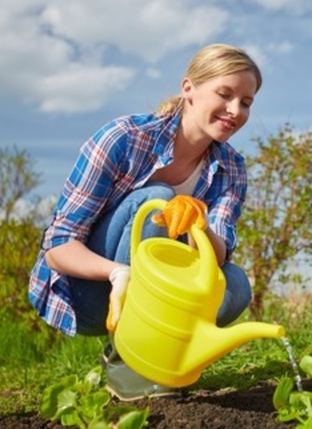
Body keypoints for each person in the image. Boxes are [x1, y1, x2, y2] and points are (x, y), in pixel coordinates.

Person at [29, 43, 262, 400]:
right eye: (225, 94)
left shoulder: (232, 168)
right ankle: (127, 359)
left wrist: (199, 224)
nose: (235, 110)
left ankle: (157, 354)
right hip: (95, 293)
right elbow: (58, 247)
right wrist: (119, 272)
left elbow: (217, 256)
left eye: (245, 102)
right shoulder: (123, 139)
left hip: (158, 297)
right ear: (189, 90)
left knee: (235, 285)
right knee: (157, 201)